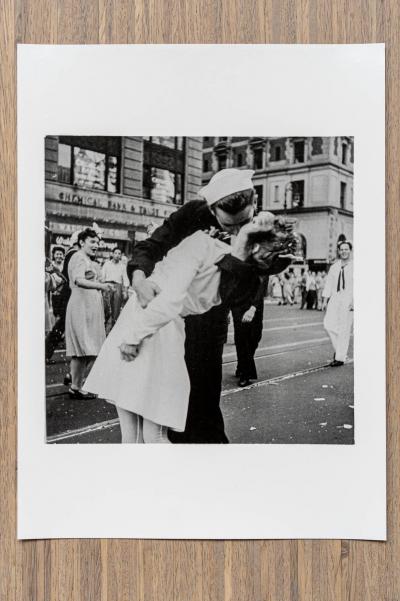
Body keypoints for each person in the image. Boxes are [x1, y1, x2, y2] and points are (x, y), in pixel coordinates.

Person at [84, 219, 296, 443]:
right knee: (147, 432)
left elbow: (170, 299)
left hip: (150, 324)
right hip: (161, 327)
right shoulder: (239, 274)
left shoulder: (206, 247)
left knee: (141, 434)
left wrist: (134, 336)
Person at [127, 168, 290, 443]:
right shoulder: (192, 214)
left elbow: (255, 278)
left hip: (213, 317)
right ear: (212, 209)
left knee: (204, 400)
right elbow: (151, 246)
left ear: (254, 202)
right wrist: (139, 277)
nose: (237, 230)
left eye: (243, 221)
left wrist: (265, 248)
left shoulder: (261, 226)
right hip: (173, 318)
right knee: (167, 400)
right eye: (229, 226)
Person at [65, 228, 114, 399]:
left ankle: (75, 382)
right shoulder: (78, 257)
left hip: (87, 307)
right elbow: (78, 280)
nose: (96, 245)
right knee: (84, 348)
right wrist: (101, 286)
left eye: (97, 242)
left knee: (87, 349)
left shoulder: (85, 259)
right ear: (81, 243)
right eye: (92, 242)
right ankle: (76, 386)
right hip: (81, 306)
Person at [45, 232, 80, 363]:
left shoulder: (71, 253)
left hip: (68, 293)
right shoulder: (73, 254)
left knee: (63, 326)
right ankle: (46, 352)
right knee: (61, 326)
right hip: (70, 294)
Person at [322, 241, 353, 366]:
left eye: (346, 249)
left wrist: (355, 302)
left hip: (348, 300)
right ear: (339, 251)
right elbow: (328, 284)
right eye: (341, 249)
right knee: (328, 325)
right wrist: (324, 301)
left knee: (344, 330)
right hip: (335, 299)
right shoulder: (334, 267)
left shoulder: (355, 266)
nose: (344, 251)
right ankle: (339, 352)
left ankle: (340, 358)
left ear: (350, 251)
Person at [232, 276, 267, 387]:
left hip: (256, 303)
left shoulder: (260, 261)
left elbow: (262, 284)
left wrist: (253, 308)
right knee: (242, 337)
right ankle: (245, 373)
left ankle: (242, 365)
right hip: (238, 303)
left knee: (255, 336)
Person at [101, 247, 130, 332]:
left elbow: (125, 279)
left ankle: (113, 330)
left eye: (119, 253)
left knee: (116, 308)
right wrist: (102, 285)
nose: (117, 255)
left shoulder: (122, 266)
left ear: (121, 255)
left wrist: (125, 291)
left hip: (118, 286)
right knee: (105, 307)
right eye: (115, 253)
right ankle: (103, 327)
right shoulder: (107, 264)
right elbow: (102, 276)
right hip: (108, 285)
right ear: (112, 254)